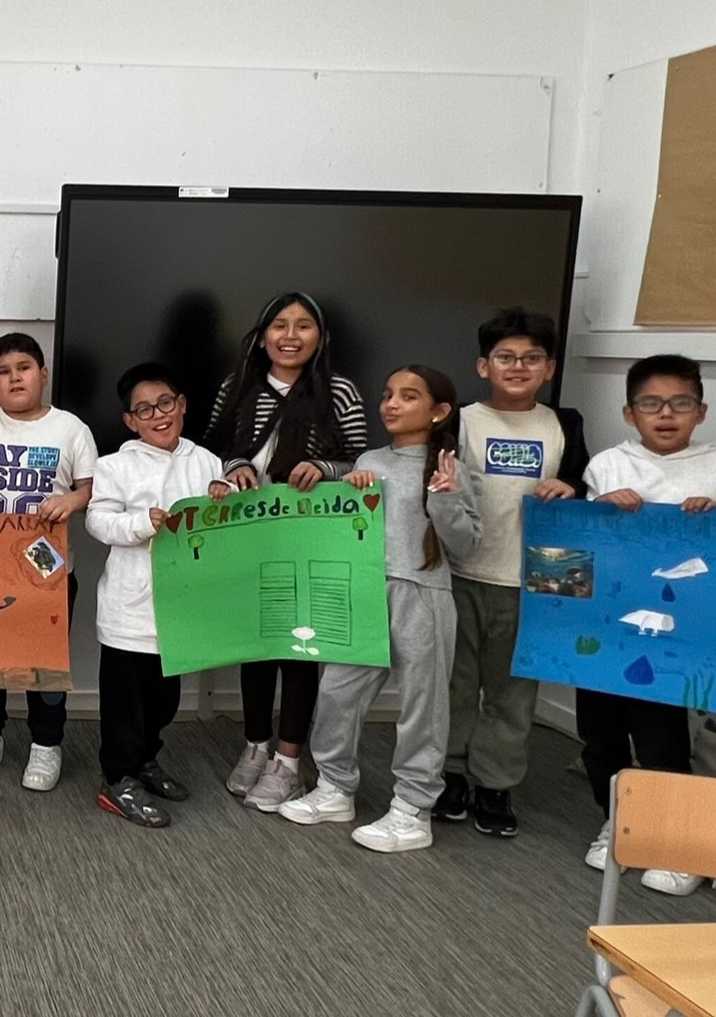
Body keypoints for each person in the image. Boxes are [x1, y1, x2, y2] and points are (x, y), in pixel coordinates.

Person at [280, 365, 479, 853]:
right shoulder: (370, 458)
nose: (391, 404)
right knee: (337, 691)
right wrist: (348, 486)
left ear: (438, 411)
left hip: (422, 592)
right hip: (364, 591)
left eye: (408, 397)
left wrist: (445, 499)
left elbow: (466, 546)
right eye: (388, 394)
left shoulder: (448, 467)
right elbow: (346, 519)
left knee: (422, 705)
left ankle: (413, 809)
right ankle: (334, 787)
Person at [575, 354, 716, 896]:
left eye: (680, 403)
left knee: (662, 736)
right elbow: (581, 545)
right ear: (630, 413)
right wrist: (601, 508)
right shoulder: (608, 463)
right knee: (599, 734)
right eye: (651, 404)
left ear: (701, 411)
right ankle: (618, 821)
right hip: (608, 623)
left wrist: (715, 519)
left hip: (681, 630)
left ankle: (674, 840)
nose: (666, 414)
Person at [202, 291, 369, 813]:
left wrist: (324, 468)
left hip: (311, 536)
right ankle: (255, 746)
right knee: (256, 643)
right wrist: (234, 466)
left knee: (299, 647)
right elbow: (211, 447)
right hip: (249, 532)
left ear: (321, 337)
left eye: (303, 326)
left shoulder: (339, 391)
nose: (290, 336)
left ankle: (289, 762)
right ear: (261, 335)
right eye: (279, 325)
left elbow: (362, 461)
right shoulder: (237, 386)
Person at [439, 306, 588, 840]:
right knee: (454, 685)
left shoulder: (565, 424)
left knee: (513, 692)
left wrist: (573, 487)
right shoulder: (459, 419)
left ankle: (495, 784)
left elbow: (584, 487)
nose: (518, 367)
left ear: (549, 368)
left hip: (535, 583)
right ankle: (450, 775)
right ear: (484, 366)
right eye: (505, 357)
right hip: (461, 575)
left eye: (531, 358)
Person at [86, 363, 224, 829]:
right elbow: (98, 521)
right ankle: (117, 778)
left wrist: (223, 498)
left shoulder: (208, 462)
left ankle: (146, 760)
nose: (158, 415)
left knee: (164, 700)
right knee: (126, 702)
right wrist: (142, 523)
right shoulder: (114, 466)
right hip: (130, 609)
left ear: (181, 405)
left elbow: (219, 521)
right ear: (131, 421)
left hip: (181, 606)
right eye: (144, 410)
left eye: (165, 403)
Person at [0, 331, 99, 791]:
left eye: (23, 368)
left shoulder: (71, 428)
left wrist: (73, 500)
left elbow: (92, 488)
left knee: (45, 663)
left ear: (43, 374)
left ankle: (46, 743)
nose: (14, 378)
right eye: (3, 372)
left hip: (48, 569)